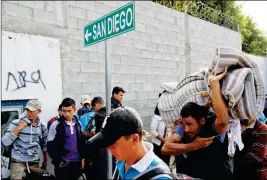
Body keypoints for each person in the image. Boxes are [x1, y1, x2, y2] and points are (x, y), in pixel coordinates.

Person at [162, 67, 232, 180]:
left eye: (189, 124)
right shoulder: (183, 127)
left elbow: (223, 122)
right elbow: (165, 148)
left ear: (202, 121)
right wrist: (193, 146)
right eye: (183, 124)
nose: (185, 129)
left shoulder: (212, 126)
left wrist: (214, 85)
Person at [88, 107, 176, 179]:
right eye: (106, 144)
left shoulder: (159, 177)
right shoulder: (122, 160)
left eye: (113, 144)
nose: (108, 148)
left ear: (134, 139)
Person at [1, 99, 48, 180]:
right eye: (28, 110)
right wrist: (19, 128)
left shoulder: (42, 126)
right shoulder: (16, 123)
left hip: (34, 161)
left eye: (32, 110)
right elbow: (4, 142)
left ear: (39, 111)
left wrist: (45, 159)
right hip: (17, 161)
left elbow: (44, 143)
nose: (29, 113)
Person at [47, 98, 86, 180]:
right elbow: (50, 146)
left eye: (69, 111)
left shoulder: (77, 123)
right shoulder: (56, 125)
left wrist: (82, 158)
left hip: (76, 162)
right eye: (64, 111)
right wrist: (58, 161)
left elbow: (81, 142)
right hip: (63, 163)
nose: (66, 113)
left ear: (74, 110)